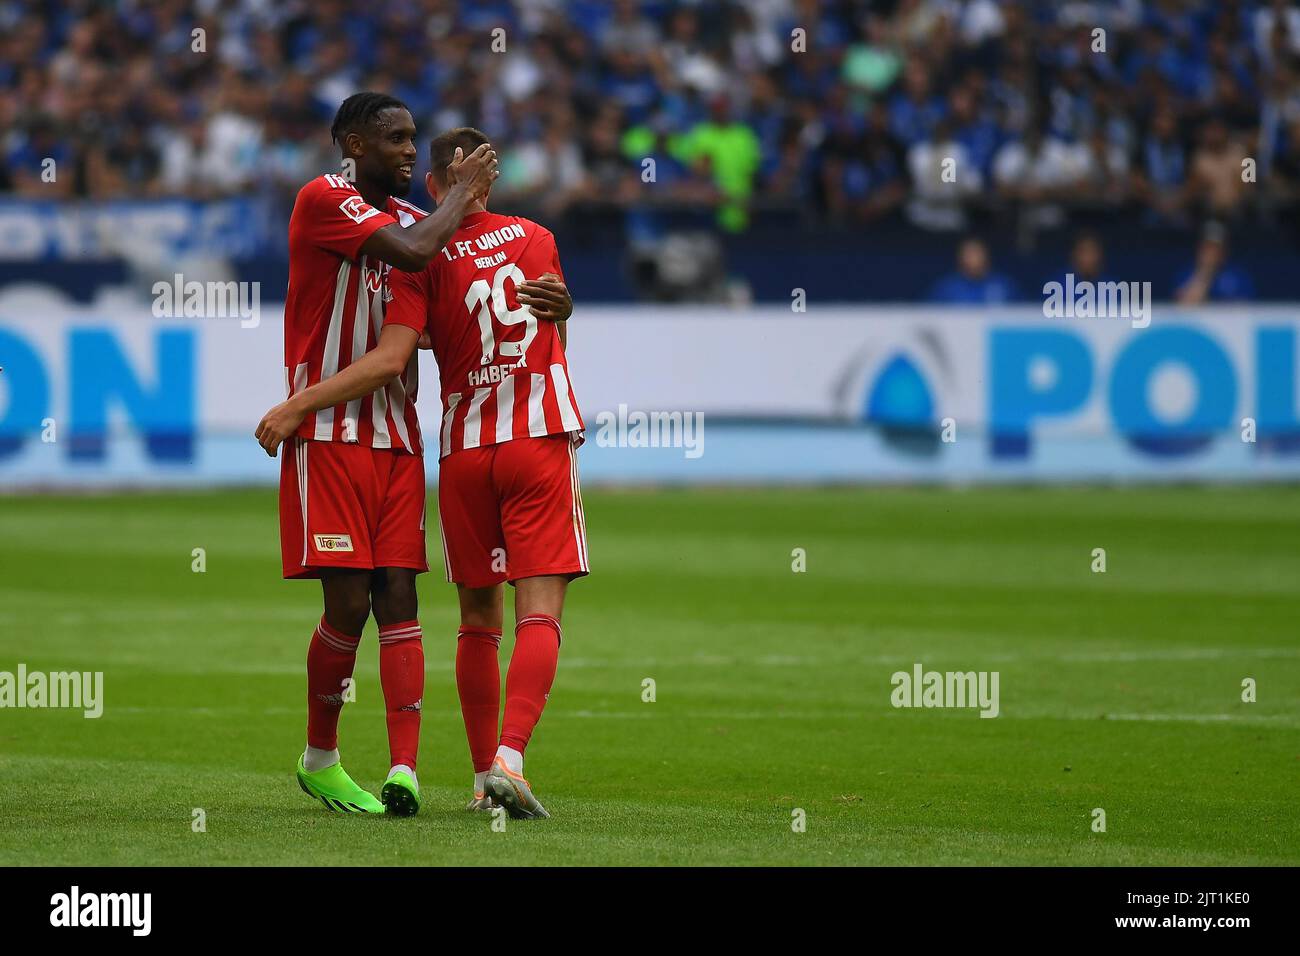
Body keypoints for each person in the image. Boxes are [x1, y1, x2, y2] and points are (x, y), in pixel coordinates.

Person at [256, 127, 583, 820]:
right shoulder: (536, 238)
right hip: (536, 434)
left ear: (430, 184)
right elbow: (547, 331)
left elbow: (402, 348)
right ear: (478, 183)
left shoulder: (424, 259)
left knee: (472, 616)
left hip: (463, 450)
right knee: (540, 611)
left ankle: (467, 779)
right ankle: (508, 761)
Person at [261, 92, 499, 816]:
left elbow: (442, 301)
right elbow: (418, 251)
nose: (406, 149)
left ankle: (405, 772)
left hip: (394, 436)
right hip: (330, 436)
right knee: (349, 603)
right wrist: (460, 193)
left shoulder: (408, 221)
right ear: (352, 143)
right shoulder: (322, 200)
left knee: (400, 592)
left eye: (412, 138)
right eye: (394, 138)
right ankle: (321, 759)